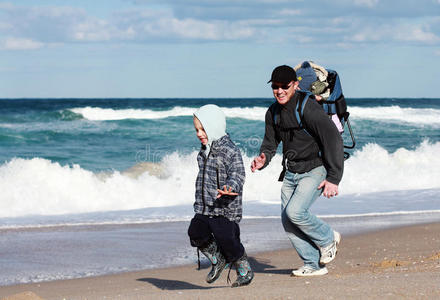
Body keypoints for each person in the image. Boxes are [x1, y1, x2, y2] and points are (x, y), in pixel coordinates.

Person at [251, 65, 344, 277]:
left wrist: (334, 177)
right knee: (287, 219)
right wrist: (263, 159)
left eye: (285, 86)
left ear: (295, 85)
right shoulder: (272, 112)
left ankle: (328, 238)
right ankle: (313, 264)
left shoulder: (308, 107)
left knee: (295, 213)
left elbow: (333, 139)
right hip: (291, 172)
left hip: (315, 169)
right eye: (275, 87)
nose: (280, 91)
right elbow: (270, 143)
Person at [187, 104, 254, 287]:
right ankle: (218, 259)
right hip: (205, 206)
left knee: (227, 239)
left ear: (214, 126)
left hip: (224, 208)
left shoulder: (230, 150)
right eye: (197, 130)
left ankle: (243, 266)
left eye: (203, 129)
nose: (199, 133)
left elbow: (238, 173)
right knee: (195, 232)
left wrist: (231, 186)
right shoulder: (204, 151)